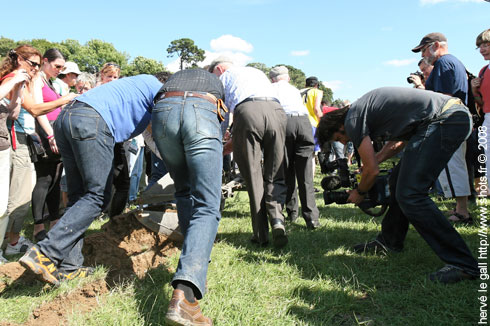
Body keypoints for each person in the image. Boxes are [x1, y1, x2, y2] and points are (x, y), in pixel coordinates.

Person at [316, 87, 479, 284]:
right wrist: (374, 159)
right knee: (397, 182)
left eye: (338, 138)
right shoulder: (361, 111)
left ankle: (463, 264)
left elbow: (373, 171)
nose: (344, 140)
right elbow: (397, 143)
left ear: (338, 126)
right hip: (450, 117)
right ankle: (390, 240)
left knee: (411, 194)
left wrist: (360, 192)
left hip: (446, 119)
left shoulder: (352, 119)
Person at [19, 74, 162, 285]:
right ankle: (44, 252)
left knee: (78, 198)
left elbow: (150, 136)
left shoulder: (137, 88)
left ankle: (69, 267)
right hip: (91, 121)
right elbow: (159, 133)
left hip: (66, 118)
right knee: (97, 196)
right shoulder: (159, 90)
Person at [152, 68, 225, 326]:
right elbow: (223, 120)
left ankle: (192, 255)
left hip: (164, 113)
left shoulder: (176, 78)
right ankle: (186, 293)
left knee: (183, 191)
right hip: (202, 112)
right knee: (207, 204)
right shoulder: (217, 83)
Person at [1, 45, 77, 256]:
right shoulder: (16, 78)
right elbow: (35, 110)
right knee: (18, 197)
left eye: (36, 64)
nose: (34, 68)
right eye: (32, 63)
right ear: (18, 60)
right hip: (20, 138)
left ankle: (13, 241)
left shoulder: (28, 81)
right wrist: (65, 100)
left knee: (22, 195)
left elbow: (15, 112)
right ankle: (15, 241)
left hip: (24, 136)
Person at [209, 56, 288, 248]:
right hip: (277, 110)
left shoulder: (224, 77)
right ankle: (278, 219)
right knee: (276, 171)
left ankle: (261, 234)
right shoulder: (256, 71)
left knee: (253, 175)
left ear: (219, 69)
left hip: (248, 110)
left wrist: (218, 142)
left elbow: (224, 112)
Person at [412, 32, 472, 224]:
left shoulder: (444, 63)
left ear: (436, 45)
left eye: (423, 49)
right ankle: (460, 208)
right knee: (454, 165)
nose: (422, 55)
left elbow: (443, 96)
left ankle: (462, 211)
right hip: (456, 118)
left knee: (452, 166)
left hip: (450, 119)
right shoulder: (452, 62)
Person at [31, 49, 77, 242]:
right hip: (44, 133)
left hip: (56, 132)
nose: (60, 70)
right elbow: (38, 110)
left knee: (56, 179)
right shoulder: (37, 80)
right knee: (44, 180)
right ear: (45, 61)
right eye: (57, 66)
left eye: (62, 67)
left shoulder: (51, 82)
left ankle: (54, 221)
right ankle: (38, 226)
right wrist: (50, 135)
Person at [269, 66, 320, 229]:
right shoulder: (295, 90)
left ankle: (292, 213)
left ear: (272, 79)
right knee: (305, 174)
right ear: (288, 78)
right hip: (304, 123)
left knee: (286, 170)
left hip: (285, 122)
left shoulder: (270, 88)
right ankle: (312, 218)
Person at [0, 69, 30, 264]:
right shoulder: (6, 83)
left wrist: (18, 90)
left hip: (3, 146)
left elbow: (13, 113)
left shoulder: (10, 87)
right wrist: (14, 81)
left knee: (2, 205)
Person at [471, 29, 490, 185]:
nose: (482, 49)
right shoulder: (483, 71)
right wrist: (474, 90)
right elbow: (482, 103)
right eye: (480, 46)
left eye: (486, 44)